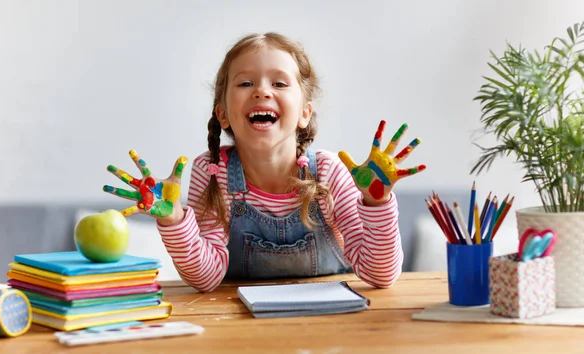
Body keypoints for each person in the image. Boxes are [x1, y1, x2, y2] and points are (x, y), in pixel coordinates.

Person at [103, 32, 426, 293]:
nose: (261, 91)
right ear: (223, 114)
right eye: (245, 83)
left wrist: (376, 199)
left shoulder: (327, 172)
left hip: (331, 327)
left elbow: (380, 275)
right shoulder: (213, 172)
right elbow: (205, 279)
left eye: (280, 83)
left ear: (304, 113)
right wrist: (174, 219)